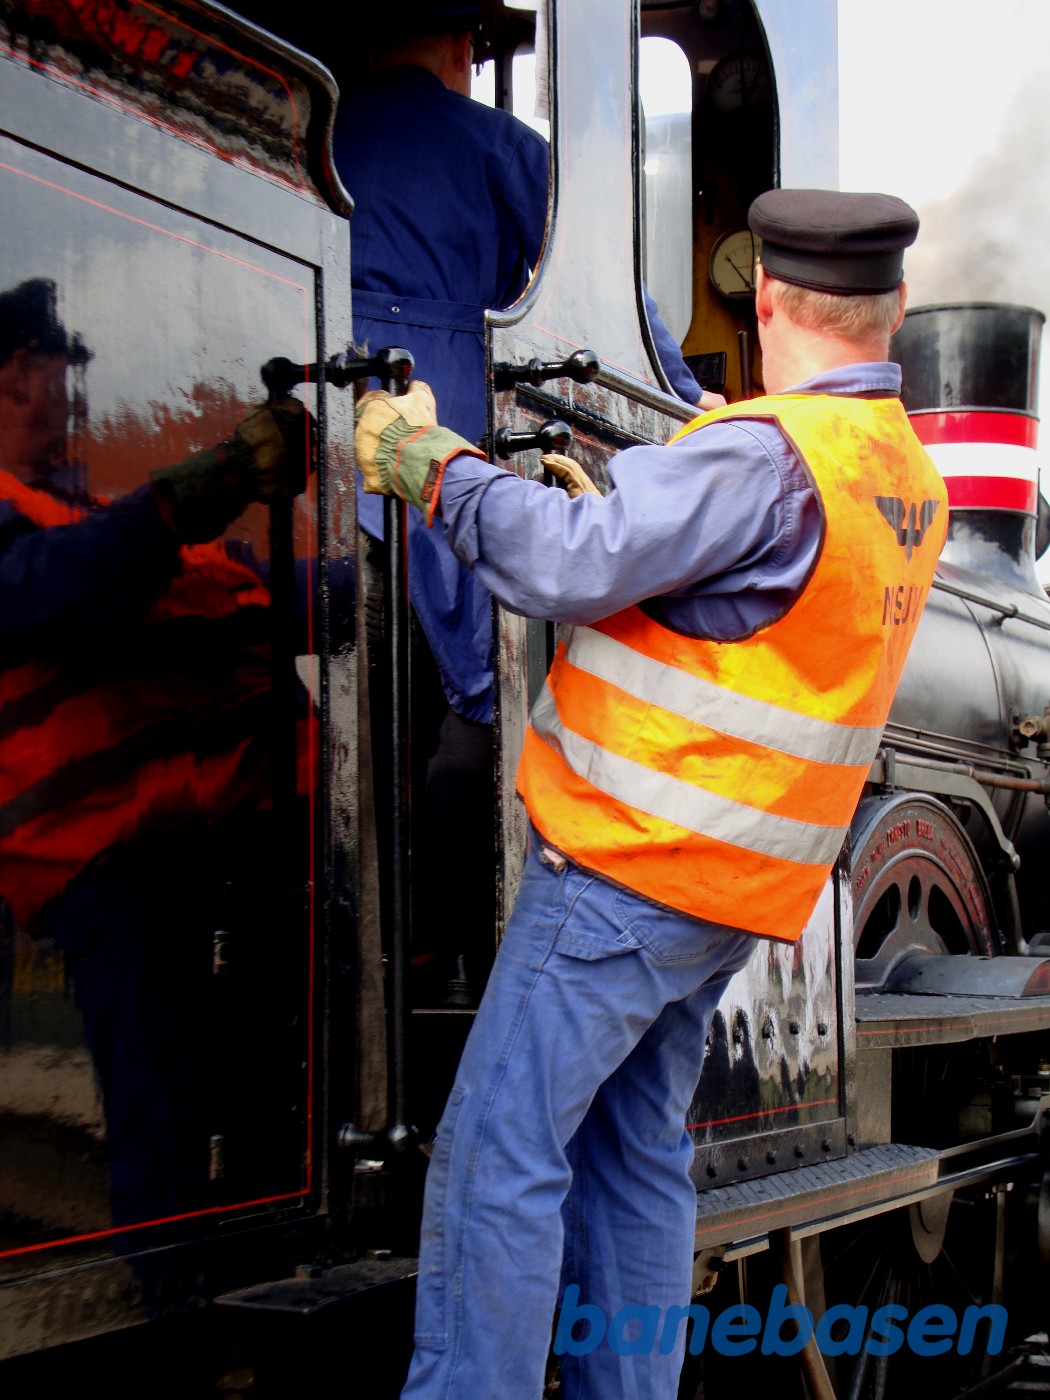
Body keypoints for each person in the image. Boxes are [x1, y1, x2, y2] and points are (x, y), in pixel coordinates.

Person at [354, 189, 950, 1399]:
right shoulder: (901, 475)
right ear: (894, 310)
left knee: (499, 1150)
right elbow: (745, 617)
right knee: (634, 1155)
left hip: (627, 867)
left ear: (765, 295)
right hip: (730, 891)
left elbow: (562, 565)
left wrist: (430, 464)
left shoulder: (765, 452)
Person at [332, 1, 721, 999]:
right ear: (465, 47)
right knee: (478, 692)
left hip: (327, 398)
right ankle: (457, 949)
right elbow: (609, 288)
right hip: (445, 400)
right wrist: (688, 401)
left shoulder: (324, 128)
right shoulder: (496, 142)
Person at [0, 276, 313, 1245]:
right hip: (107, 867)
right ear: (20, 375)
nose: (76, 392)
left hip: (221, 842)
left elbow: (265, 593)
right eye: (65, 368)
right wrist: (200, 489)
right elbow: (43, 593)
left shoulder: (93, 512)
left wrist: (412, 561)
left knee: (257, 1102)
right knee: (164, 1119)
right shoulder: (64, 528)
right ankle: (176, 1297)